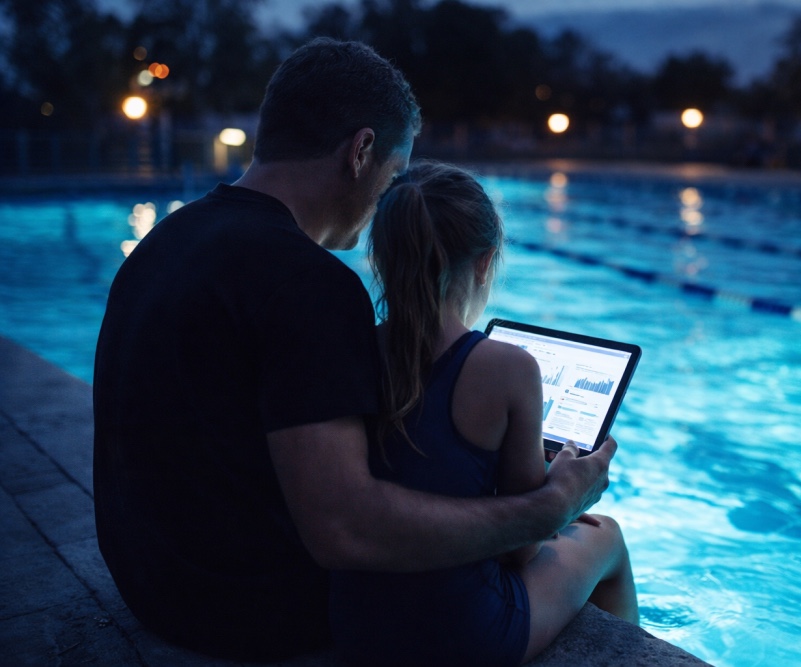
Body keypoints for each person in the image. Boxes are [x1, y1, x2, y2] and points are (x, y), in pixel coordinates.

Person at [92, 38, 616, 662]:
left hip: (150, 586)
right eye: (393, 178)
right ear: (361, 151)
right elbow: (345, 530)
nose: (384, 207)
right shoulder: (304, 283)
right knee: (584, 551)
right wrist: (549, 507)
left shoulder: (172, 238)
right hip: (246, 612)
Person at [327, 161, 638, 667]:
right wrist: (558, 488)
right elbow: (520, 549)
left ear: (381, 257)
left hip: (354, 618)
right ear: (485, 262)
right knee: (608, 536)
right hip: (460, 636)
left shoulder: (352, 350)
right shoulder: (508, 367)